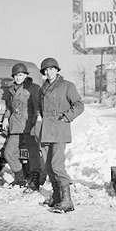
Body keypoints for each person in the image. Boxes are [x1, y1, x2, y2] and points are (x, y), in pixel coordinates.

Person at [39, 57, 84, 213]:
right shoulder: (42, 88)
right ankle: (57, 196)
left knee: (57, 165)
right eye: (46, 70)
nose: (49, 72)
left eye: (51, 69)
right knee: (47, 165)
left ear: (57, 70)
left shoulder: (67, 86)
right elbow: (40, 108)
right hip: (45, 129)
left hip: (59, 128)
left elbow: (79, 105)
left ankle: (67, 201)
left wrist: (66, 116)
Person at [2, 63, 42, 192]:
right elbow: (10, 107)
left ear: (25, 75)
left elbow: (37, 107)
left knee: (33, 154)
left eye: (20, 75)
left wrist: (36, 122)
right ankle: (20, 178)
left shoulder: (33, 88)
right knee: (9, 152)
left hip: (28, 124)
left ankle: (35, 181)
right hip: (15, 126)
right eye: (16, 75)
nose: (18, 77)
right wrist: (5, 118)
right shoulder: (12, 89)